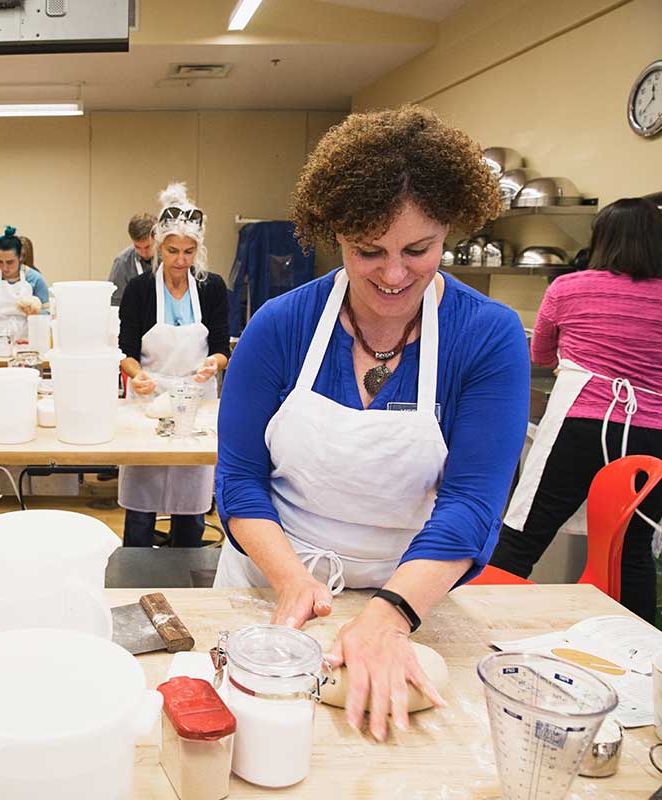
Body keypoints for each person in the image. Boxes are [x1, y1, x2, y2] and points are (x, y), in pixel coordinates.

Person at [215, 106, 529, 741]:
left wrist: (388, 615)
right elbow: (240, 478)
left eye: (419, 249)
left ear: (449, 230)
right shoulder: (281, 325)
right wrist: (291, 580)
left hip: (413, 593)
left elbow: (472, 503)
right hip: (272, 589)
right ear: (336, 235)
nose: (393, 274)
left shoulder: (486, 337)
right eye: (369, 251)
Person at [491, 197, 662, 621]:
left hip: (578, 423)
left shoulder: (568, 287)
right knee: (632, 547)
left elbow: (542, 352)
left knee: (524, 534)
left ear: (601, 239)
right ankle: (641, 654)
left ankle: (479, 619)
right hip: (651, 437)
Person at [118, 183, 229, 548]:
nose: (181, 260)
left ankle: (186, 572)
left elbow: (220, 346)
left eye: (189, 251)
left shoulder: (212, 287)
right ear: (158, 246)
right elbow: (126, 351)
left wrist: (212, 363)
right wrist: (138, 375)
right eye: (172, 250)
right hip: (148, 400)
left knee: (190, 503)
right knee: (140, 505)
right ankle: (133, 574)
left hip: (194, 400)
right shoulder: (139, 290)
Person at [0, 226, 49, 346]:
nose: (5, 268)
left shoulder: (35, 280)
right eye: (0, 261)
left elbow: (48, 315)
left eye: (10, 262)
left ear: (20, 257)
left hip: (26, 345)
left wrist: (35, 312)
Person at [108, 213, 157, 305]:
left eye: (147, 247)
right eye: (137, 247)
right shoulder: (122, 263)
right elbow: (115, 303)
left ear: (157, 238)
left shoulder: (170, 257)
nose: (143, 252)